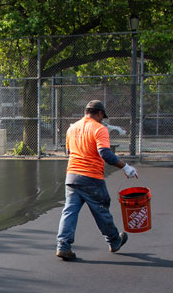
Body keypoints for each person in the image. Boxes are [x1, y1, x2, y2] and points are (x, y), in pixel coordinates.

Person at [56, 100, 138, 261]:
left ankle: (63, 246)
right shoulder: (99, 129)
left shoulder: (72, 128)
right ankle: (114, 241)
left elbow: (68, 151)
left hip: (72, 176)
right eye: (103, 116)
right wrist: (126, 167)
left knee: (69, 212)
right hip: (91, 177)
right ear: (100, 113)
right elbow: (105, 153)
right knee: (101, 211)